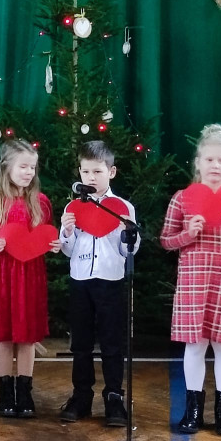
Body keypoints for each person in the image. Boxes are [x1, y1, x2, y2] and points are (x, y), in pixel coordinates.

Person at [161, 124, 221, 437]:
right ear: (198, 163)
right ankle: (193, 410)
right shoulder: (182, 199)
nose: (215, 166)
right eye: (209, 160)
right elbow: (165, 240)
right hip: (193, 281)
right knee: (195, 346)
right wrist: (188, 235)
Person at [58, 141, 140, 426]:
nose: (91, 178)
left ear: (111, 172)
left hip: (110, 281)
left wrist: (125, 233)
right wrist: (67, 231)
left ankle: (114, 396)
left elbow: (129, 250)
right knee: (80, 343)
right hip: (80, 280)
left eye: (97, 171)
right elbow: (68, 249)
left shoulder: (122, 207)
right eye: (86, 171)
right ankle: (81, 396)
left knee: (111, 343)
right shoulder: (72, 206)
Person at [0, 139, 53, 419]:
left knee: (28, 337)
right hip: (4, 275)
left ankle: (25, 391)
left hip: (31, 275)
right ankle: (6, 392)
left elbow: (44, 237)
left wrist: (51, 244)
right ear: (6, 167)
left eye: (32, 167)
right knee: (5, 336)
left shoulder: (40, 201)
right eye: (23, 166)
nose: (29, 172)